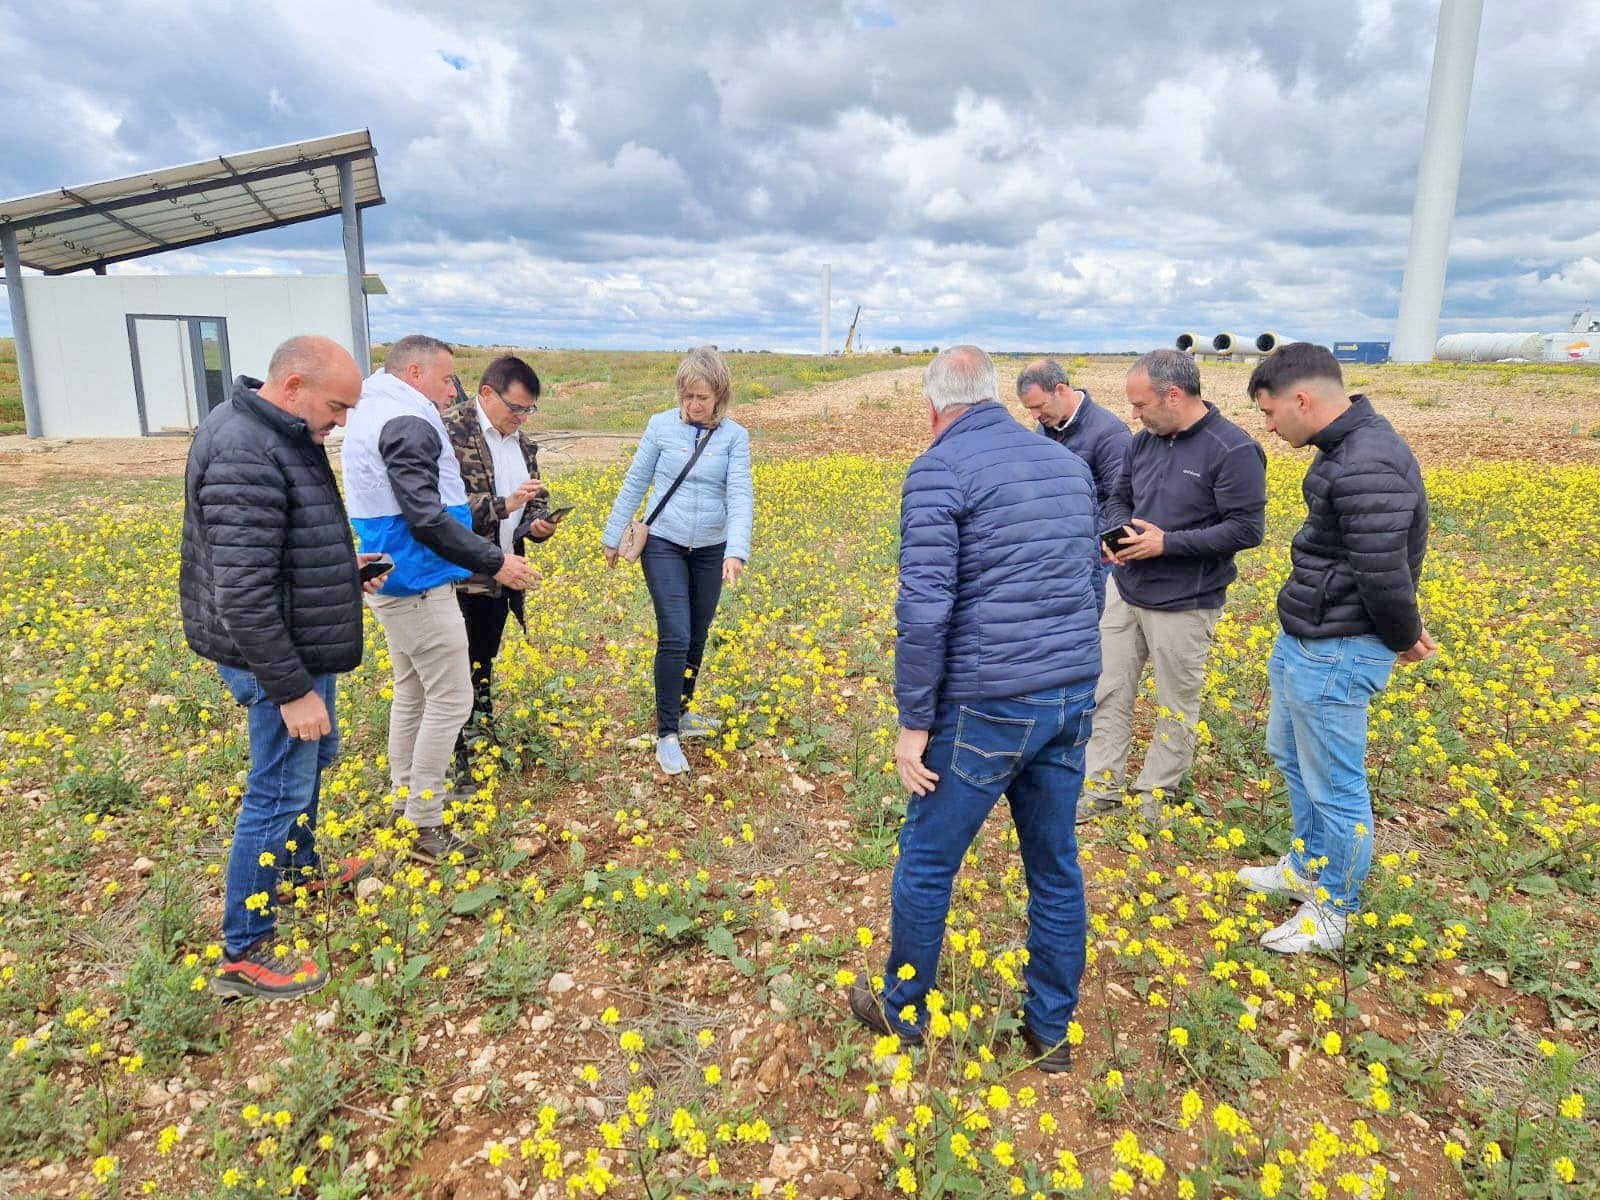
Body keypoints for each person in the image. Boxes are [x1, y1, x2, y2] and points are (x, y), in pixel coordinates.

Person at [848, 346, 1102, 1073]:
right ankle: (1050, 1031)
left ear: (932, 408)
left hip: (989, 702)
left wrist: (914, 724)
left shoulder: (937, 468)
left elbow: (925, 610)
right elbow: (1090, 578)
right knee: (1055, 865)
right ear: (995, 396)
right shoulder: (1066, 463)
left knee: (927, 862)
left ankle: (904, 1013)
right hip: (1069, 692)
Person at [180, 335, 380, 999]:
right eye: (337, 405)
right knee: (277, 789)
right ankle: (245, 950)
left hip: (290, 639)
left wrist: (335, 572)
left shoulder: (276, 432)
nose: (343, 420)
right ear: (293, 385)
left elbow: (271, 551)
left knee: (309, 766)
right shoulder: (245, 448)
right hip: (272, 657)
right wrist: (291, 691)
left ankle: (295, 869)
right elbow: (241, 593)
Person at [1241, 343, 1435, 953]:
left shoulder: (1365, 463)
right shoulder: (1343, 450)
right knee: (1291, 758)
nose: (1269, 428)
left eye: (1270, 414)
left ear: (1303, 399)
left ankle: (1335, 909)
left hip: (1339, 647)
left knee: (1335, 785)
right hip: (1311, 636)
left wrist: (1402, 638)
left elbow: (1384, 574)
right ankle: (1307, 865)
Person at [341, 335, 536, 865]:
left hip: (395, 577)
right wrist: (497, 561)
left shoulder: (376, 410)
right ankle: (425, 822)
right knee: (451, 698)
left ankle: (407, 797)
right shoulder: (408, 421)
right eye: (447, 378)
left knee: (413, 693)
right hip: (419, 580)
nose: (453, 389)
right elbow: (425, 516)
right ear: (414, 372)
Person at [1081, 349, 1267, 823]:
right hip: (1126, 591)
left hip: (1184, 602)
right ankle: (1101, 787)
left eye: (1141, 405)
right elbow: (1119, 496)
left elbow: (1247, 529)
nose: (1134, 415)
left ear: (1174, 395)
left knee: (1175, 703)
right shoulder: (1143, 441)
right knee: (1108, 690)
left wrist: (1168, 545)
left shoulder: (1233, 450)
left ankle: (1155, 797)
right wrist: (1119, 533)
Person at [601, 346, 753, 776]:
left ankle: (684, 711)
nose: (693, 404)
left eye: (702, 397)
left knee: (698, 634)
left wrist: (736, 549)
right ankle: (667, 732)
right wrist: (612, 537)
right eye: (687, 396)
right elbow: (636, 480)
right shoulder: (660, 427)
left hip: (710, 546)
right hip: (664, 541)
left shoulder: (734, 437)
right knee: (675, 632)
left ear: (720, 396)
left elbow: (740, 494)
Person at [442, 355, 557, 777]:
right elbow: (439, 511)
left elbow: (534, 497)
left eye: (529, 410)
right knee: (452, 668)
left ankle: (480, 729)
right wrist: (503, 505)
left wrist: (539, 524)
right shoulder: (449, 432)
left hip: (504, 572)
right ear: (487, 393)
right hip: (459, 574)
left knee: (483, 657)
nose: (522, 418)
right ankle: (454, 756)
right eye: (516, 408)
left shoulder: (523, 443)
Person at [1015, 358, 1131, 527]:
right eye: (1030, 409)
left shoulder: (1110, 433)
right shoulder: (1044, 429)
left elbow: (1120, 501)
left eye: (1039, 406)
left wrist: (1085, 537)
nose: (1035, 416)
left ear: (1060, 390)